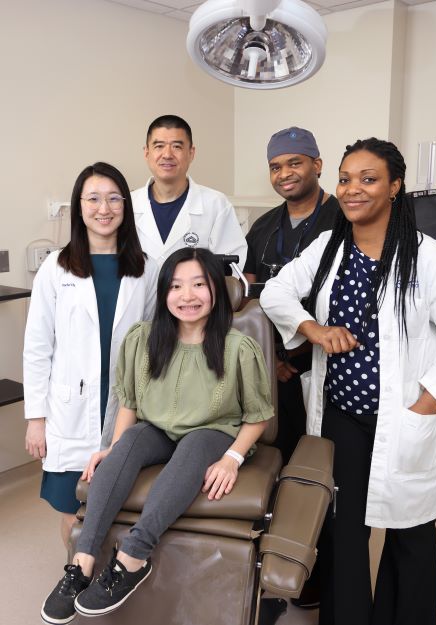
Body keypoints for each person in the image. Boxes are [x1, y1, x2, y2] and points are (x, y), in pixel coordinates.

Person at [260, 138, 436, 625]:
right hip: (342, 417)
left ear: (395, 187)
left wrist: (426, 405)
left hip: (406, 416)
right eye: (345, 179)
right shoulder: (328, 249)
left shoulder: (431, 259)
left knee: (411, 529)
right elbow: (277, 292)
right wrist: (313, 330)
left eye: (368, 179)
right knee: (343, 532)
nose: (351, 189)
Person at [40, 247, 273, 625]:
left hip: (214, 431)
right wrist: (114, 449)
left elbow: (259, 417)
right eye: (177, 286)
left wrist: (232, 458)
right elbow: (129, 403)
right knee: (128, 444)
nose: (187, 295)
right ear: (164, 293)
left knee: (196, 444)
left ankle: (132, 557)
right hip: (158, 429)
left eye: (199, 284)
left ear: (216, 290)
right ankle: (82, 564)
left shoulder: (237, 348)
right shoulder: (143, 340)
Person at [24, 162, 158, 549]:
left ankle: (103, 574)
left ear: (125, 208)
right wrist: (36, 419)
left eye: (114, 198)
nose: (104, 208)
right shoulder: (55, 267)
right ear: (79, 207)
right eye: (94, 199)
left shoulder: (145, 268)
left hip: (125, 403)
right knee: (72, 507)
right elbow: (37, 347)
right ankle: (74, 571)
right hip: (70, 405)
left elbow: (152, 340)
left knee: (121, 497)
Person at [244, 126, 340, 465]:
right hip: (271, 362)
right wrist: (272, 357)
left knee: (326, 459)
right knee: (275, 453)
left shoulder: (344, 219)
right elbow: (248, 298)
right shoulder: (263, 226)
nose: (284, 174)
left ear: (317, 165)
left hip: (327, 360)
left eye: (294, 163)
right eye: (275, 166)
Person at [132, 114, 247, 270]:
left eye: (177, 146)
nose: (167, 154)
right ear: (146, 153)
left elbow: (232, 268)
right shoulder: (128, 206)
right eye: (159, 146)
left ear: (191, 153)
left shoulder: (216, 204)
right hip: (139, 295)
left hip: (195, 295)